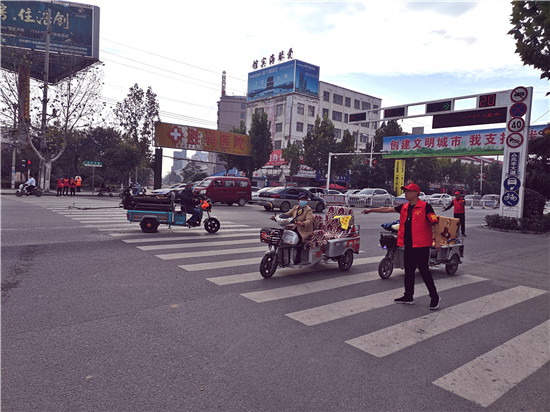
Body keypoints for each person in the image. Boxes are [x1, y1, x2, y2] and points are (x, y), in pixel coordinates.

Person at [362, 182, 441, 310]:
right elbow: (387, 209)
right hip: (408, 244)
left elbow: (435, 223)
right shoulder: (405, 207)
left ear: (416, 193)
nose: (406, 193)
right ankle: (408, 296)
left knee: (424, 271)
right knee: (409, 271)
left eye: (408, 191)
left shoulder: (425, 207)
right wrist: (371, 210)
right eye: (405, 191)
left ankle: (434, 297)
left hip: (421, 246)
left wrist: (437, 241)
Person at [277, 193, 313, 264]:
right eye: (302, 199)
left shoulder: (308, 210)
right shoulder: (295, 208)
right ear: (298, 201)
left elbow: (309, 220)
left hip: (304, 230)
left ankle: (298, 257)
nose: (304, 201)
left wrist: (303, 223)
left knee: (299, 240)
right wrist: (277, 217)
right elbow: (287, 214)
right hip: (296, 227)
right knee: (284, 237)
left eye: (305, 199)